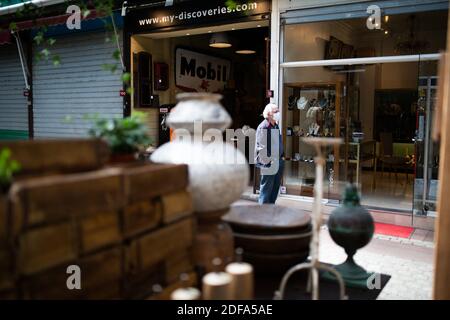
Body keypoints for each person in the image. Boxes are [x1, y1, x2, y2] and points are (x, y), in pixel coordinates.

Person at [255, 103, 284, 204]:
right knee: (266, 189)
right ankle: (262, 212)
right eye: (276, 111)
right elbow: (261, 148)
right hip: (269, 163)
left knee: (275, 188)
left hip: (278, 161)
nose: (278, 113)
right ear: (269, 114)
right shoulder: (263, 127)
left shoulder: (275, 126)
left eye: (278, 111)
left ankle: (271, 209)